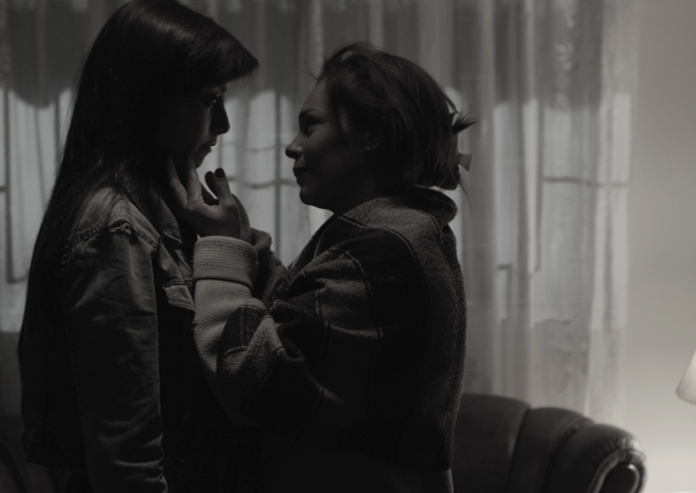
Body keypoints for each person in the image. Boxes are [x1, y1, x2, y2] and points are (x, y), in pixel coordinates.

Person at [168, 42, 473, 492]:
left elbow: (254, 386)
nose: (292, 147)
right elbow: (300, 319)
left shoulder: (385, 252)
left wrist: (224, 250)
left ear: (372, 134)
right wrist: (244, 245)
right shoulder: (399, 234)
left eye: (310, 126)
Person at [16, 1, 259, 492]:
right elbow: (127, 458)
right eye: (209, 100)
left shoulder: (162, 214)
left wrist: (229, 244)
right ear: (149, 100)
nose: (224, 124)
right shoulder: (115, 228)